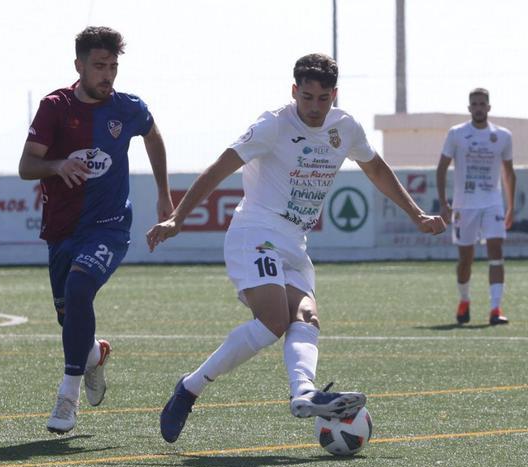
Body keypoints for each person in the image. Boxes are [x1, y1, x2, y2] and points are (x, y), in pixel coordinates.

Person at [146, 53, 445, 443]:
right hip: (254, 230)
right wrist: (178, 217)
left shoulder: (346, 127)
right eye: (307, 97)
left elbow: (375, 168)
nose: (315, 107)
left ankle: (304, 391)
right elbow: (221, 166)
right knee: (273, 321)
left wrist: (417, 214)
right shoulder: (273, 124)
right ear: (294, 92)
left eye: (323, 99)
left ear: (334, 95)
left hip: (294, 240)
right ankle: (188, 389)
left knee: (306, 315)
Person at [19, 26, 173, 434]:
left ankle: (66, 399)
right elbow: (26, 167)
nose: (108, 75)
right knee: (68, 317)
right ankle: (92, 355)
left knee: (80, 289)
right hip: (61, 230)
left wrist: (163, 194)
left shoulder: (127, 108)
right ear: (79, 66)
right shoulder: (55, 106)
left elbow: (154, 136)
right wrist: (57, 165)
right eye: (99, 66)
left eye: (113, 66)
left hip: (108, 227)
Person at [436, 88, 516, 326]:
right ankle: (464, 300)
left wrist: (510, 206)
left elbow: (509, 173)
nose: (479, 108)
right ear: (469, 108)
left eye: (483, 104)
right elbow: (441, 168)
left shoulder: (502, 136)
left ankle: (495, 308)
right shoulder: (457, 134)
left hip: (492, 202)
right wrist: (444, 203)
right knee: (465, 260)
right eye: (475, 104)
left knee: (496, 252)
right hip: (465, 204)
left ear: (489, 107)